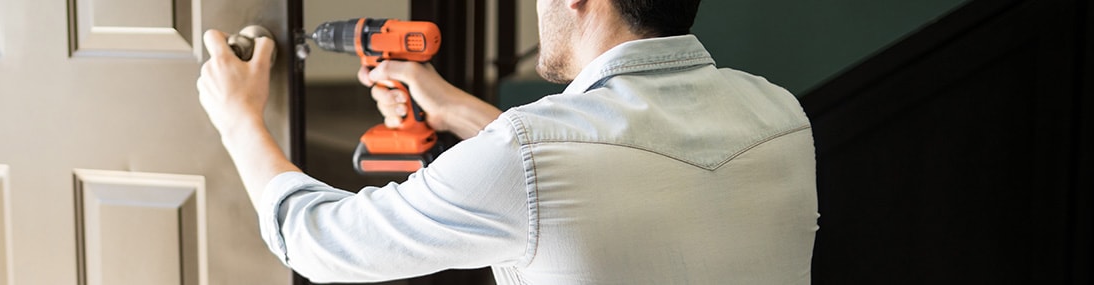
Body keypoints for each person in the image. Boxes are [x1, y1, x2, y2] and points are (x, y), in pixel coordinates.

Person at [196, 0, 818, 283]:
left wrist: (238, 118)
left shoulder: (528, 153)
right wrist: (457, 110)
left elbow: (320, 243)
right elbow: (593, 173)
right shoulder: (780, 115)